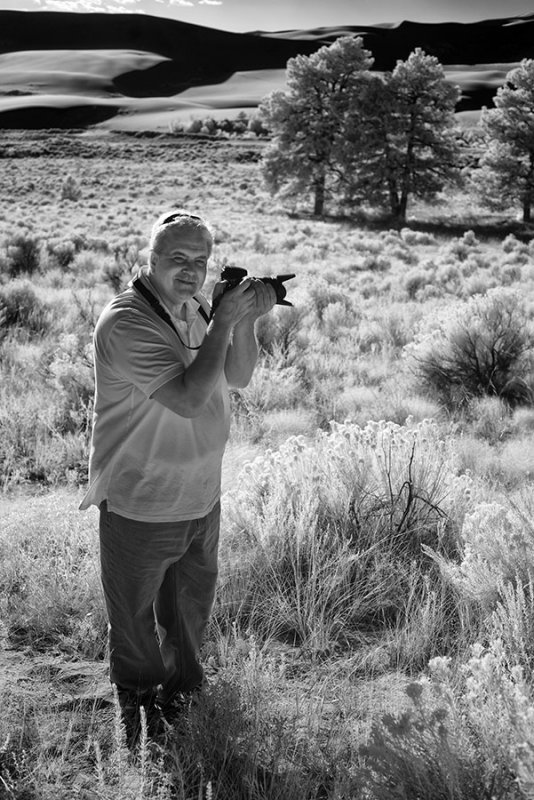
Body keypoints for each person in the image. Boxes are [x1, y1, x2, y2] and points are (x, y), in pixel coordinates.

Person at [80, 210, 276, 743]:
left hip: (201, 494)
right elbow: (190, 398)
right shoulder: (126, 322)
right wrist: (222, 323)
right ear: (151, 259)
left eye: (201, 261)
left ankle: (186, 693)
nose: (191, 272)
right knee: (136, 615)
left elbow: (235, 376)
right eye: (178, 259)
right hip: (142, 499)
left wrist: (244, 321)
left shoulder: (197, 307)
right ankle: (140, 707)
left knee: (190, 607)